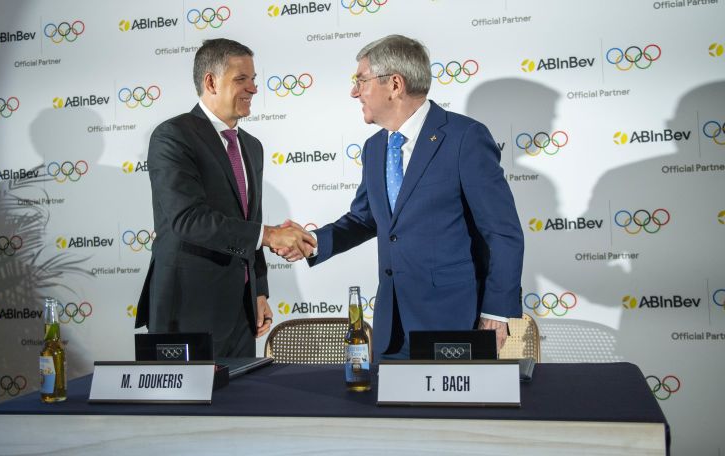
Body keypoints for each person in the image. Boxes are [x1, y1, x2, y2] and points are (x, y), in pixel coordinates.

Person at [290, 35, 524, 360]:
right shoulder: (374, 148)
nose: (354, 91)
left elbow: (502, 233)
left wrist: (497, 312)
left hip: (454, 322)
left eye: (361, 80)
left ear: (395, 84)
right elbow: (365, 218)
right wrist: (312, 241)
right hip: (392, 328)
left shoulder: (464, 138)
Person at [135, 38, 315, 357]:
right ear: (211, 82)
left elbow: (250, 221)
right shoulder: (173, 136)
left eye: (254, 79)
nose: (253, 89)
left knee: (241, 403)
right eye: (241, 79)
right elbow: (188, 220)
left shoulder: (251, 145)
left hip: (241, 312)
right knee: (186, 408)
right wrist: (271, 235)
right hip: (187, 310)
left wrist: (258, 291)